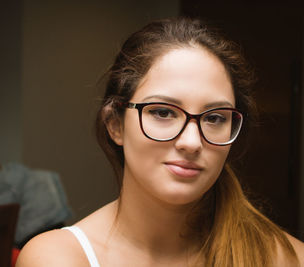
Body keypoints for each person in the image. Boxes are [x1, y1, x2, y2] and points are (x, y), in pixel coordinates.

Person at [16, 17, 304, 267]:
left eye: (215, 118)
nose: (191, 142)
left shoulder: (286, 258)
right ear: (115, 124)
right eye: (163, 112)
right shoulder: (60, 258)